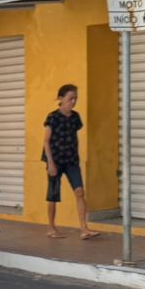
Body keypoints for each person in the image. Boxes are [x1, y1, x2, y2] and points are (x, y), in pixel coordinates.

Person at [43, 83, 96, 239]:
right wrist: (50, 163)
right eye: (70, 98)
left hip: (72, 160)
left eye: (75, 99)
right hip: (56, 160)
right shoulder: (52, 117)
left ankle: (84, 229)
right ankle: (51, 228)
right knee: (53, 195)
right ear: (61, 98)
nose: (73, 101)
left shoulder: (75, 117)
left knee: (79, 192)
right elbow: (46, 141)